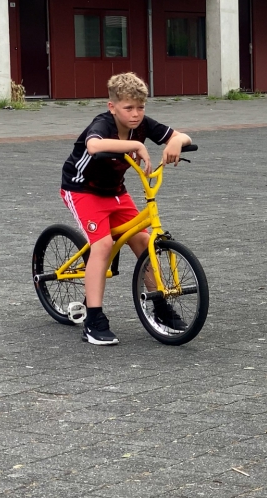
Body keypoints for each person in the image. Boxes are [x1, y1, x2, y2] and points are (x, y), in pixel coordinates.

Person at [60, 72, 192, 345]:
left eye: (140, 107)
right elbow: (94, 145)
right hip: (82, 189)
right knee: (104, 245)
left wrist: (177, 141)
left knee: (144, 240)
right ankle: (93, 320)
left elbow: (181, 136)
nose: (135, 114)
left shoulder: (143, 124)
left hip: (114, 192)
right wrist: (133, 145)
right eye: (128, 108)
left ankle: (160, 306)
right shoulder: (103, 124)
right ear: (113, 107)